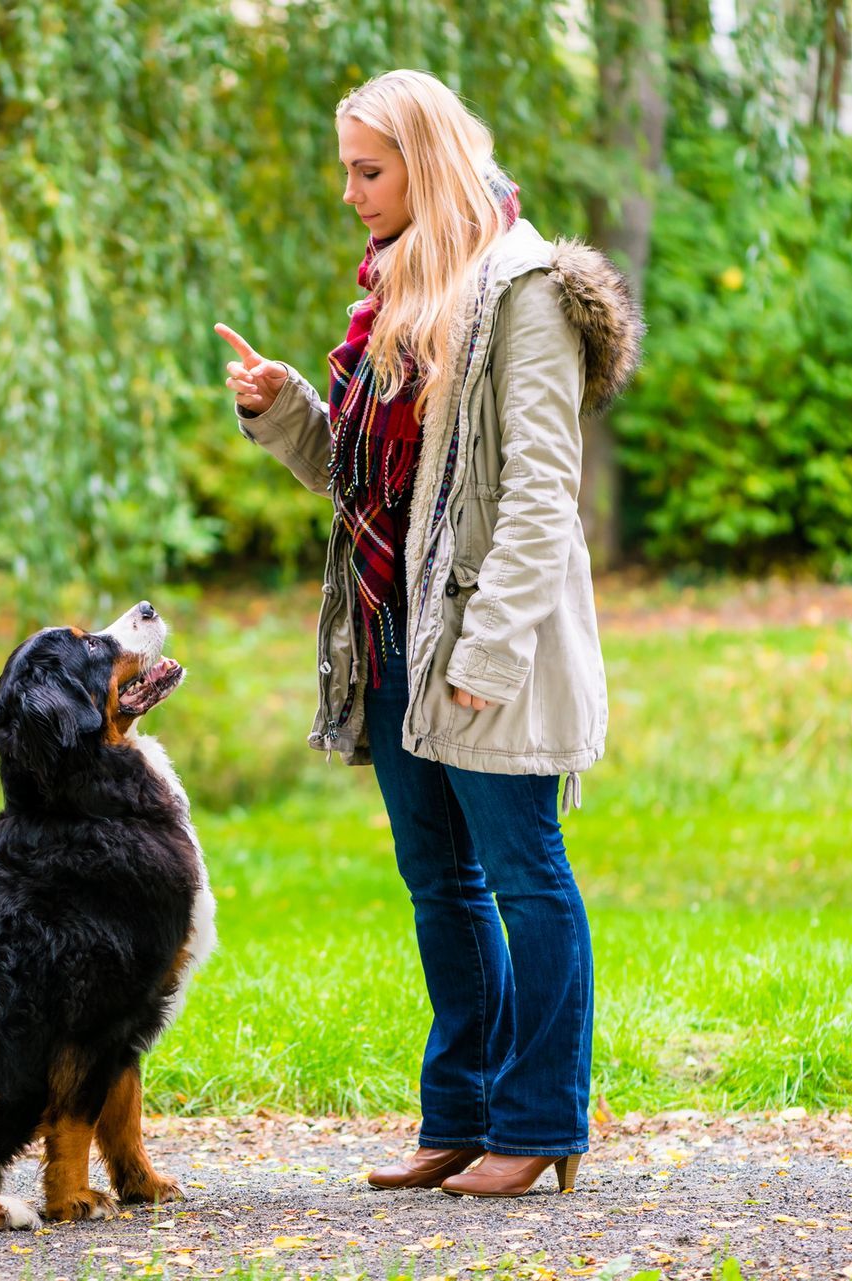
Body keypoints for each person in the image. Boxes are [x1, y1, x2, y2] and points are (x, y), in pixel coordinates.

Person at [215, 69, 642, 1198]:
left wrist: (489, 654)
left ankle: (544, 1120)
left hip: (486, 643)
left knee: (523, 872)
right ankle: (460, 1113)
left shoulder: (526, 291)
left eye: (370, 169)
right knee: (439, 882)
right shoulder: (396, 292)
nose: (352, 193)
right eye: (346, 170)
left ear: (428, 160)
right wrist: (284, 409)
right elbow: (364, 483)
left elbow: (545, 493)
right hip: (391, 629)